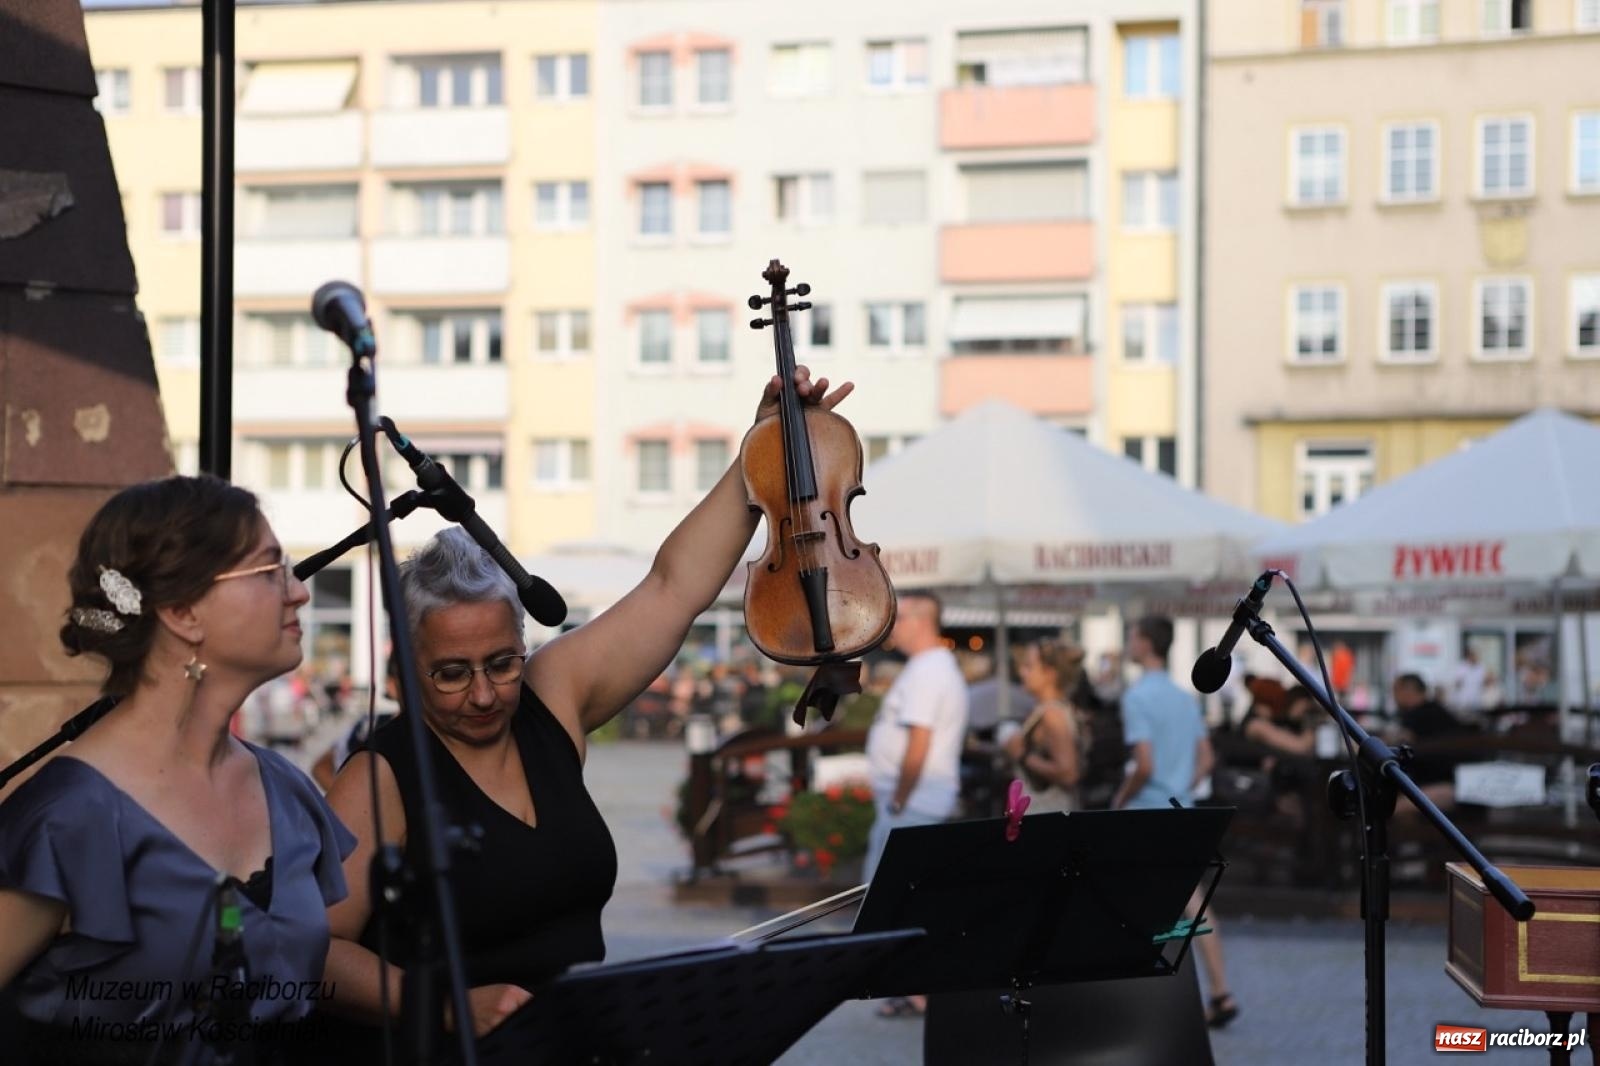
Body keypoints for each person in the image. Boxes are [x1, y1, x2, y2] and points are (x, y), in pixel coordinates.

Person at [318, 367, 853, 1048]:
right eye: (450, 675)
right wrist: (447, 1005)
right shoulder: (379, 778)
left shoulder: (552, 695)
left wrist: (763, 452)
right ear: (403, 673)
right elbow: (317, 955)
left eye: (501, 663)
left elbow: (671, 589)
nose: (483, 694)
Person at [0, 475, 355, 1066]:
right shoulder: (69, 820)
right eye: (269, 571)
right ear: (182, 611)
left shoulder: (286, 792)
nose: (299, 592)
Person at [1111, 616, 1237, 1030]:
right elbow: (1207, 758)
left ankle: (1137, 1003)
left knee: (1129, 907)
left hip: (1145, 811)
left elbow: (1143, 764)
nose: (1128, 643)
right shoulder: (1184, 696)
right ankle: (1220, 990)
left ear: (1146, 643)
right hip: (1179, 809)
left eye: (1132, 636)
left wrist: (1120, 798)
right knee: (1195, 901)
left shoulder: (1137, 697)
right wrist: (1183, 784)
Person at [865, 591, 969, 1019]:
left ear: (921, 620)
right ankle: (916, 988)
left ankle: (918, 990)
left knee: (895, 897)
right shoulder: (932, 668)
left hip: (913, 802)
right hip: (917, 800)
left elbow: (919, 742)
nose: (893, 624)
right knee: (909, 897)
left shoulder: (928, 671)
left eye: (900, 615)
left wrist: (899, 798)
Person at [1000, 639, 1087, 813]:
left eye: (1029, 666)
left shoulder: (1052, 714)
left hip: (1047, 812)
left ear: (1050, 673)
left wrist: (1022, 755)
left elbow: (1069, 773)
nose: (1022, 671)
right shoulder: (1054, 709)